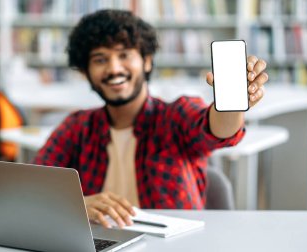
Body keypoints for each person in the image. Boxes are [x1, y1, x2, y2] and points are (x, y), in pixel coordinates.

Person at [33, 9, 268, 228]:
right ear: (86, 72)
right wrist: (77, 204)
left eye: (124, 55)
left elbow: (217, 131)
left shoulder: (175, 115)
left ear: (146, 61)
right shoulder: (76, 128)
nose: (114, 68)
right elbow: (33, 188)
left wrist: (231, 105)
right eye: (100, 60)